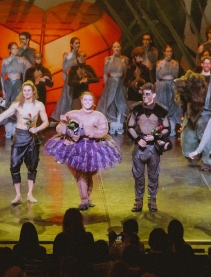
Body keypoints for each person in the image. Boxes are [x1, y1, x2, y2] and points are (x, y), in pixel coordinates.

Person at [47, 92, 121, 210]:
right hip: (75, 147)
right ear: (81, 101)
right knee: (80, 174)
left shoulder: (98, 116)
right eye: (85, 100)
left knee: (88, 175)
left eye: (90, 100)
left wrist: (92, 133)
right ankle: (84, 199)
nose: (87, 102)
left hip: (93, 147)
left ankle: (87, 197)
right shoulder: (72, 114)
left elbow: (104, 130)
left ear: (93, 102)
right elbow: (60, 126)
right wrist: (67, 131)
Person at [0, 81, 49, 204]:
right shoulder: (17, 105)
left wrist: (37, 129)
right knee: (14, 166)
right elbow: (2, 116)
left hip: (32, 138)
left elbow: (46, 121)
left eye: (29, 90)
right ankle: (18, 195)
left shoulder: (39, 105)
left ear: (33, 91)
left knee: (32, 166)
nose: (27, 92)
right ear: (22, 92)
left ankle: (30, 194)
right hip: (19, 137)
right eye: (24, 90)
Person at [175, 56, 211, 170]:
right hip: (193, 112)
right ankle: (192, 157)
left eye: (209, 63)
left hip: (208, 113)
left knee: (207, 138)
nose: (206, 65)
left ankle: (207, 161)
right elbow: (181, 89)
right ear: (202, 64)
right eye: (205, 63)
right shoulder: (193, 77)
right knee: (189, 136)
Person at [126, 83, 172, 212]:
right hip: (139, 146)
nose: (144, 97)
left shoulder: (161, 110)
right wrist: (137, 139)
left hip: (153, 147)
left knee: (153, 175)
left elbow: (167, 128)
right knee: (138, 175)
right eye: (143, 94)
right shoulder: (136, 109)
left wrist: (155, 137)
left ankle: (152, 200)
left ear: (154, 95)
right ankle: (138, 200)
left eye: (147, 94)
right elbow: (129, 127)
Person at [100, 42, 129, 135]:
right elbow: (105, 73)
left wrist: (125, 84)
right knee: (111, 102)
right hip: (111, 82)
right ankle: (112, 125)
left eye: (118, 46)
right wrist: (106, 85)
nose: (116, 48)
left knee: (121, 103)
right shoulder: (108, 59)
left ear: (120, 48)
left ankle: (119, 125)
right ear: (112, 48)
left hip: (120, 82)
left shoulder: (124, 59)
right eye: (115, 47)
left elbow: (127, 73)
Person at [1, 43, 30, 132]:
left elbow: (25, 75)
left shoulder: (21, 60)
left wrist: (24, 88)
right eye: (13, 48)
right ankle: (8, 129)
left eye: (16, 48)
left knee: (18, 105)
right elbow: (2, 76)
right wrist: (3, 90)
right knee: (8, 105)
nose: (15, 50)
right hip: (9, 82)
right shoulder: (5, 61)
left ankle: (18, 128)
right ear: (9, 50)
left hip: (18, 82)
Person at [154, 45, 182, 136]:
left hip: (172, 85)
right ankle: (163, 128)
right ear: (164, 52)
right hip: (163, 86)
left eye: (170, 51)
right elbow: (157, 77)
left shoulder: (175, 63)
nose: (169, 53)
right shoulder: (160, 63)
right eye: (167, 51)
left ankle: (172, 128)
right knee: (163, 106)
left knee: (173, 106)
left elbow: (176, 76)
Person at [52, 37, 82, 121]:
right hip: (70, 79)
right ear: (71, 44)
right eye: (76, 43)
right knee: (68, 97)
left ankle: (77, 118)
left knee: (77, 98)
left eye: (78, 43)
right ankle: (66, 118)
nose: (78, 45)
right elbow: (64, 69)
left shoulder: (80, 55)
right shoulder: (68, 55)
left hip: (79, 80)